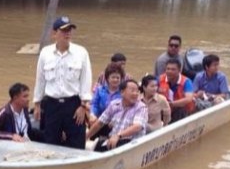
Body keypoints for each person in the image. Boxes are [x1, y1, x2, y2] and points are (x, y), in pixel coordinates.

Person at [33, 16, 92, 150]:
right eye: (64, 30)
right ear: (54, 33)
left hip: (74, 105)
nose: (68, 33)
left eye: (70, 30)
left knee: (76, 143)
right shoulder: (45, 53)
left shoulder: (81, 52)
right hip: (51, 105)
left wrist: (83, 106)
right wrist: (37, 104)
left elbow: (86, 80)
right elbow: (40, 80)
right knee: (50, 143)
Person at [86, 80, 148, 152]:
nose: (135, 94)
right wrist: (86, 136)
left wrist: (118, 136)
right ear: (122, 92)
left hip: (132, 144)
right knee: (98, 147)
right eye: (132, 90)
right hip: (112, 141)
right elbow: (100, 123)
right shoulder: (114, 104)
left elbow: (137, 127)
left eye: (137, 91)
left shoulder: (141, 107)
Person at [157, 58, 194, 122]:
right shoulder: (160, 79)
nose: (169, 71)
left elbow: (188, 99)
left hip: (182, 110)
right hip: (166, 108)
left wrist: (172, 104)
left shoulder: (186, 81)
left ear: (179, 70)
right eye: (168, 69)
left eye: (173, 69)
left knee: (180, 110)